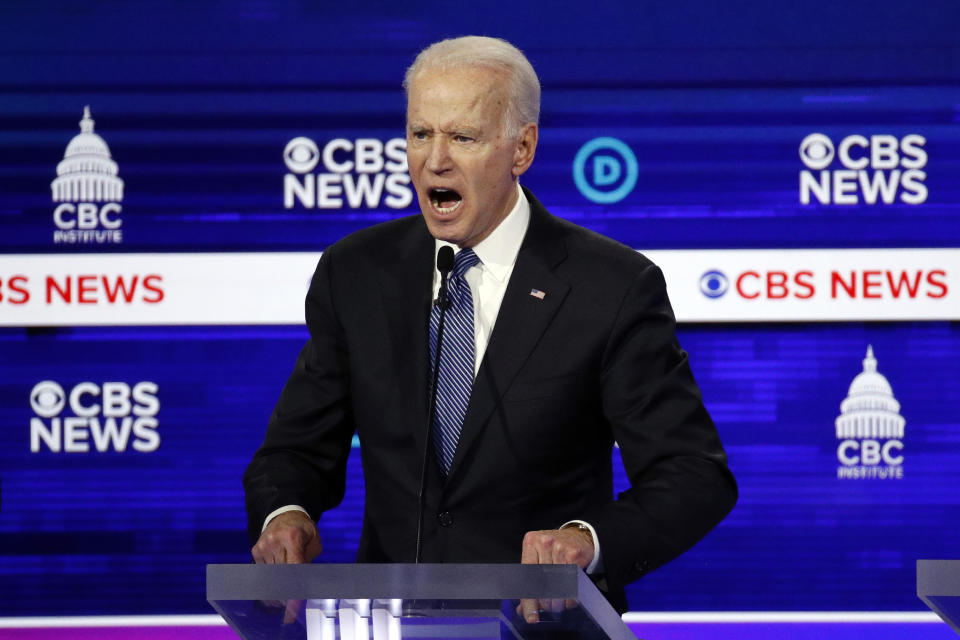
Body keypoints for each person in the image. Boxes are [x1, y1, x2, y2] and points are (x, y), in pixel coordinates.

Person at [244, 35, 736, 619]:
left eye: (463, 137)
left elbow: (693, 475)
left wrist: (586, 539)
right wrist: (287, 515)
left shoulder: (610, 287)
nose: (435, 160)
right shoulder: (356, 274)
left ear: (521, 148)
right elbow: (295, 450)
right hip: (391, 624)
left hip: (541, 626)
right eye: (420, 133)